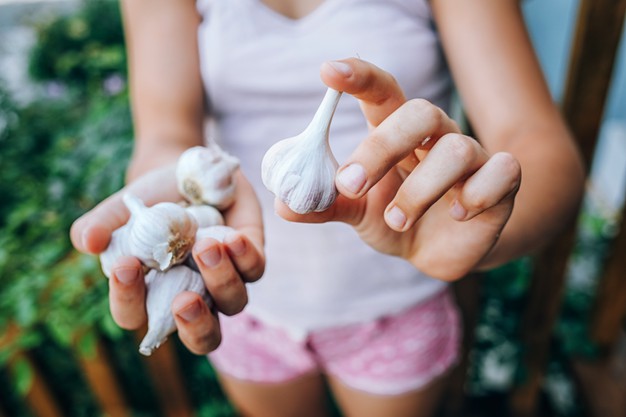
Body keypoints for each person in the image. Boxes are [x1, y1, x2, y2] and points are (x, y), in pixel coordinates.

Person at [70, 0, 585, 416]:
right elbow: (164, 135)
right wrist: (172, 202)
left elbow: (540, 149)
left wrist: (471, 218)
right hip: (246, 304)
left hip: (396, 307)